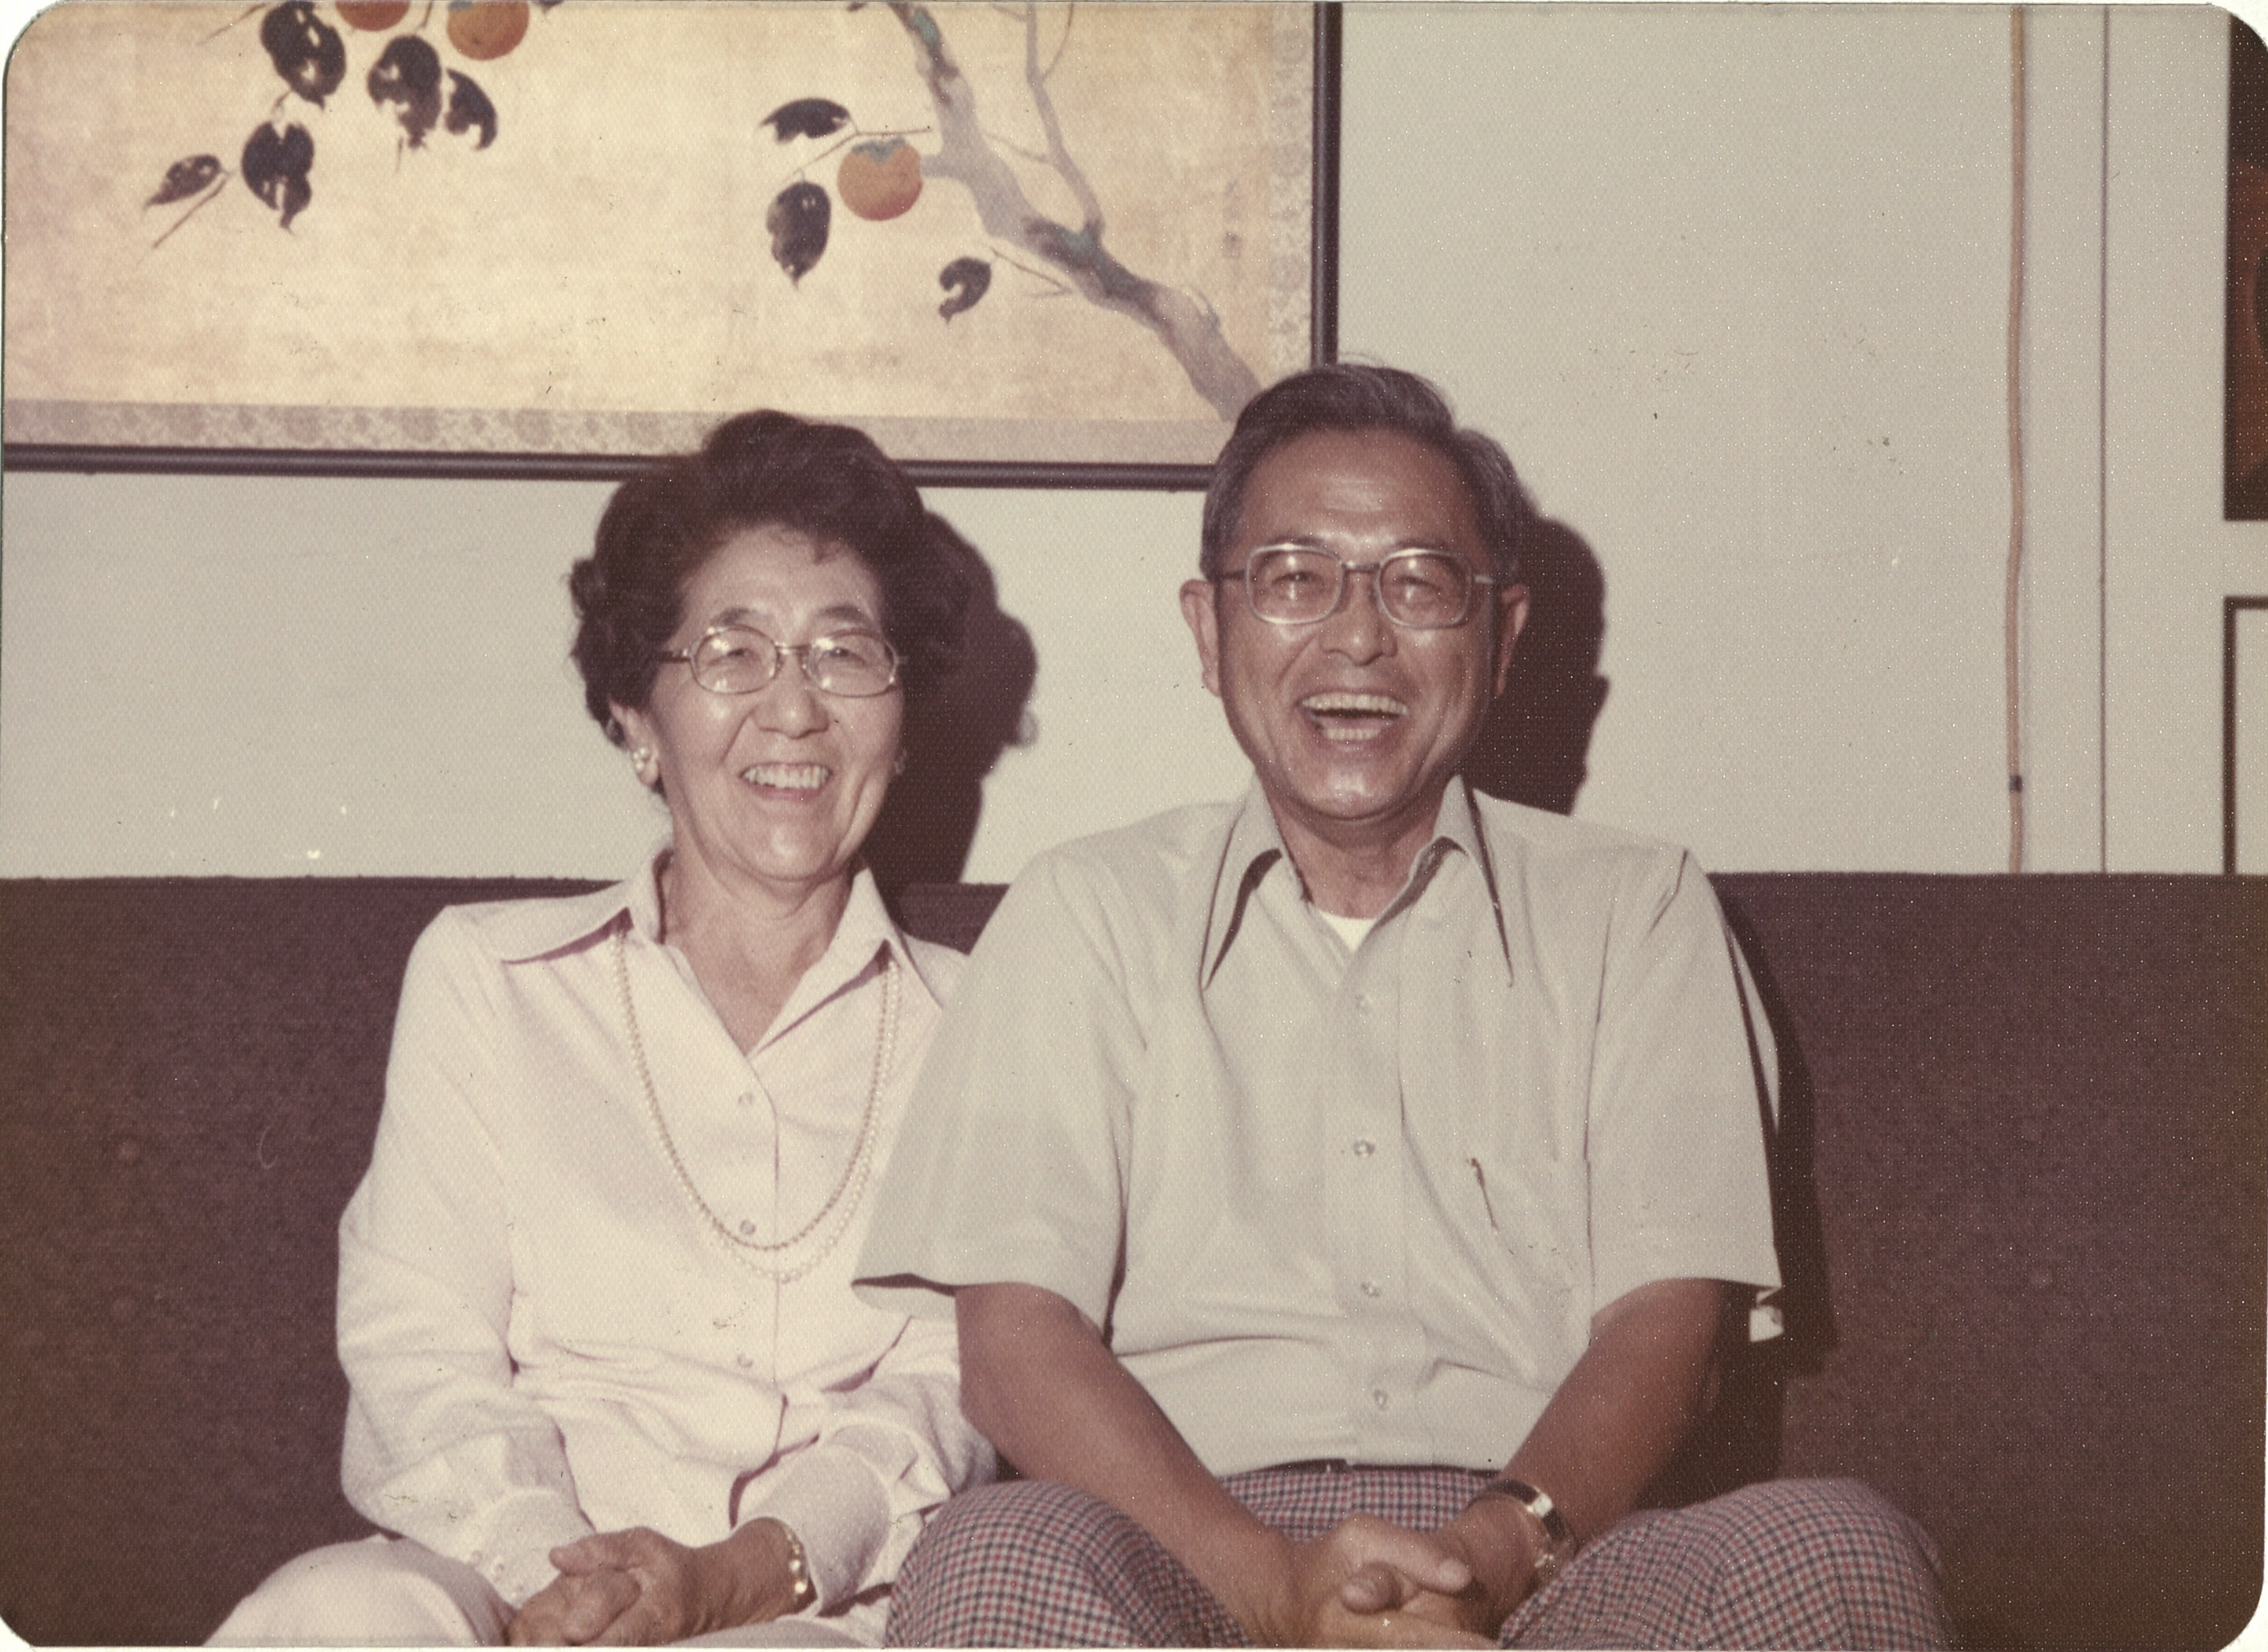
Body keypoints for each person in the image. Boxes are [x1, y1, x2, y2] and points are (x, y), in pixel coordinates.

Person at [854, 364, 1950, 1648]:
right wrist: (1269, 1583)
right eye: (1294, 578)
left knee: (1835, 1547)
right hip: (1181, 1555)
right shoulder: (1083, 910)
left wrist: (1486, 1558)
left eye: (1418, 583)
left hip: (1554, 1558)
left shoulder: (1634, 906)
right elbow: (1013, 1343)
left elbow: (1673, 1317)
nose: (1358, 636)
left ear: (1502, 635)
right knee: (990, 1553)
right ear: (1208, 629)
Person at [210, 412, 992, 1647]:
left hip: (802, 1602)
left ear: (900, 723)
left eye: (845, 654)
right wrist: (561, 1580)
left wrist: (743, 1572)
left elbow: (953, 1380)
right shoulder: (490, 976)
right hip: (506, 1570)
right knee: (335, 1612)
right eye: (732, 652)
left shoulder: (981, 1021)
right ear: (636, 713)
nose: (794, 708)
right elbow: (421, 1345)